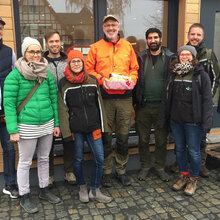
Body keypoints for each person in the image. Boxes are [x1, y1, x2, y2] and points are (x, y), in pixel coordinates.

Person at [3, 37, 61, 213]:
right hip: (26, 125)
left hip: (47, 123)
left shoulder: (47, 73)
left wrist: (56, 123)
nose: (35, 55)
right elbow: (10, 105)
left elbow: (53, 100)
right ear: (24, 53)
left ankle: (44, 190)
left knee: (44, 159)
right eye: (31, 51)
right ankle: (24, 195)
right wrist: (13, 130)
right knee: (25, 162)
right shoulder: (14, 75)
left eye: (37, 51)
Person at [86, 15, 139, 187]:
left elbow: (134, 68)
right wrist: (101, 80)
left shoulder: (127, 47)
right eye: (107, 25)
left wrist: (132, 80)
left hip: (124, 99)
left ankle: (121, 170)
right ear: (103, 28)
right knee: (106, 137)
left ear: (118, 27)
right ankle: (107, 171)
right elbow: (89, 69)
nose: (110, 28)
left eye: (113, 25)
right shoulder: (96, 47)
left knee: (123, 137)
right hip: (104, 99)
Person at [58, 50, 112, 203]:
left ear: (83, 63)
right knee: (78, 159)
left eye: (79, 61)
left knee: (99, 158)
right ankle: (82, 187)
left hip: (94, 127)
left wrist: (104, 128)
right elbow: (62, 109)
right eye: (73, 61)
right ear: (69, 64)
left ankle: (95, 189)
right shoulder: (64, 83)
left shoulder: (92, 80)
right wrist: (66, 133)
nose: (76, 64)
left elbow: (100, 105)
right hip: (76, 130)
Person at [161, 45, 213, 196]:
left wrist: (207, 122)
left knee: (194, 152)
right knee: (179, 150)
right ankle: (183, 176)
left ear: (193, 57)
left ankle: (193, 179)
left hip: (193, 122)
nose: (185, 56)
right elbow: (167, 98)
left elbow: (207, 101)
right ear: (178, 56)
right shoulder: (173, 73)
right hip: (176, 121)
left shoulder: (200, 75)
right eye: (182, 54)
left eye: (188, 54)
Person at [133, 28, 173, 182]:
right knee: (143, 139)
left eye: (155, 37)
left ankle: (160, 167)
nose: (153, 40)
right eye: (150, 38)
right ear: (146, 40)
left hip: (162, 107)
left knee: (161, 140)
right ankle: (144, 167)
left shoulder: (170, 57)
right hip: (143, 106)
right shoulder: (141, 57)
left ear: (161, 39)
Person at [187, 23, 220, 177]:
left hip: (201, 104)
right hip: (185, 104)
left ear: (203, 37)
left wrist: (208, 98)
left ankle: (201, 164)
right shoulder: (183, 53)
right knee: (184, 134)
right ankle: (183, 163)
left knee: (200, 136)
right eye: (193, 34)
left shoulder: (208, 54)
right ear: (188, 35)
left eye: (198, 35)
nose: (195, 37)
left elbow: (216, 78)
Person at [44, 30, 76, 186]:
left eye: (57, 41)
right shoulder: (41, 62)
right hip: (47, 107)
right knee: (47, 143)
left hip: (66, 105)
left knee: (67, 140)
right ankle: (48, 175)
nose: (55, 44)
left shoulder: (67, 60)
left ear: (60, 42)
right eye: (51, 42)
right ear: (46, 43)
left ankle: (69, 172)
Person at [0, 17, 18, 199]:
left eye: (0, 28)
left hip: (4, 113)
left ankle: (11, 184)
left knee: (9, 149)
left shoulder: (9, 52)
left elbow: (14, 82)